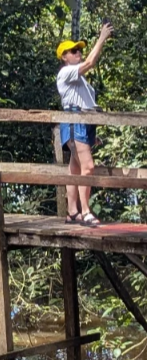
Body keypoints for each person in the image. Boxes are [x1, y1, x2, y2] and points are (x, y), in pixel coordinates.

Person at [56, 23, 113, 225]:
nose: (78, 52)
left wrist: (91, 135)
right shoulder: (66, 72)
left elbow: (86, 103)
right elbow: (90, 63)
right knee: (88, 166)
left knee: (75, 168)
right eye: (73, 51)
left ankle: (73, 211)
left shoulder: (81, 82)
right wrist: (102, 38)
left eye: (79, 49)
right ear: (64, 57)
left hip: (84, 121)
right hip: (75, 120)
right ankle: (86, 211)